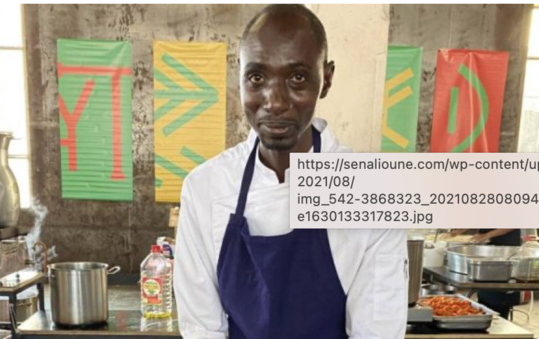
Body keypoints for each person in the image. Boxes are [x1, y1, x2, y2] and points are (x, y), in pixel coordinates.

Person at [174, 5, 408, 339]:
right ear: (239, 75)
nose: (275, 101)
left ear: (325, 79)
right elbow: (202, 328)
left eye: (297, 77)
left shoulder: (372, 193)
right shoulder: (205, 188)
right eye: (257, 77)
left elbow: (377, 332)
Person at [451, 228, 522, 319]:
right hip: (488, 252)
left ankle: (499, 324)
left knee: (498, 300)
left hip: (505, 253)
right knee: (485, 297)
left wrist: (485, 235)